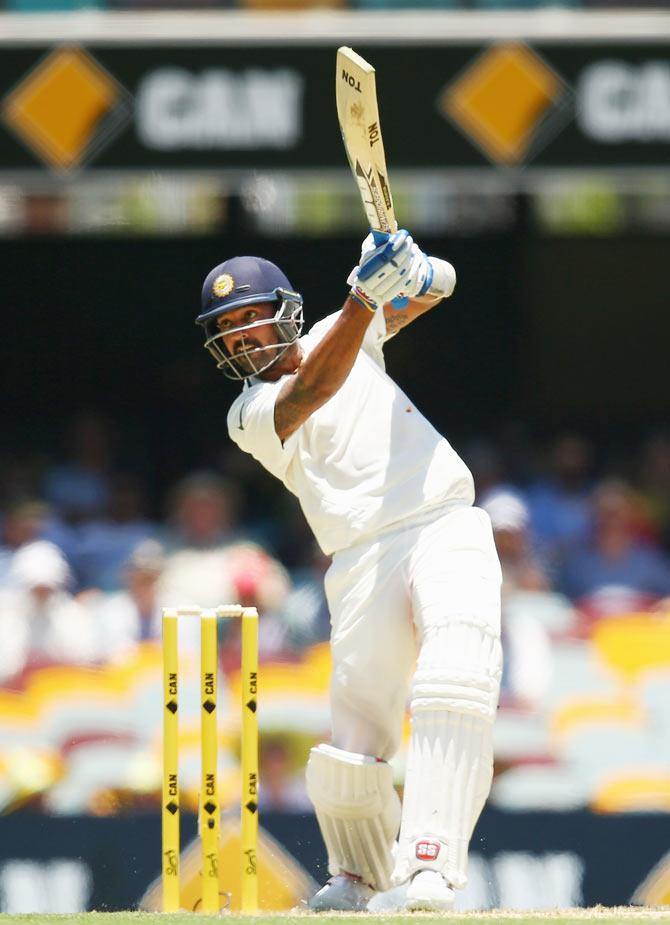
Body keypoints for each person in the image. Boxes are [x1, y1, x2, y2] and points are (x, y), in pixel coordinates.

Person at [194, 231, 502, 912]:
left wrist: (410, 264)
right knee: (355, 737)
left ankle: (430, 867)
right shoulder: (247, 414)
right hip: (360, 558)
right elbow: (313, 387)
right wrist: (366, 291)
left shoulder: (346, 327)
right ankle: (359, 876)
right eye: (229, 328)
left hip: (441, 520)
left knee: (456, 674)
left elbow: (440, 286)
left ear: (284, 310)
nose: (243, 336)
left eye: (250, 316)